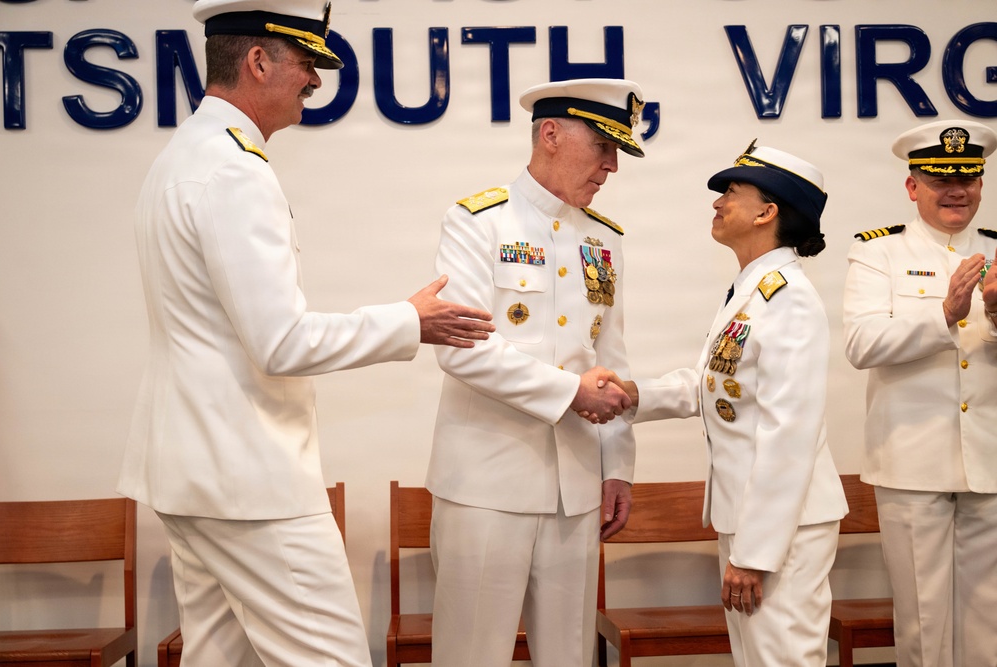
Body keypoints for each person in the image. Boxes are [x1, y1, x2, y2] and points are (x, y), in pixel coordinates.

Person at [116, 1, 495, 665]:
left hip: (189, 471)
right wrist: (411, 319)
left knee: (218, 655)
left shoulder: (182, 156)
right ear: (258, 61)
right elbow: (280, 342)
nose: (315, 80)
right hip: (248, 481)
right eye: (305, 63)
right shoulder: (236, 170)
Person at [425, 78, 644, 667]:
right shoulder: (478, 222)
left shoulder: (605, 239)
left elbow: (612, 362)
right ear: (551, 133)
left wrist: (617, 465)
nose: (612, 166)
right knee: (471, 656)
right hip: (485, 487)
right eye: (603, 146)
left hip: (576, 490)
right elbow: (460, 348)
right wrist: (570, 391)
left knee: (570, 657)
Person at [604, 143, 848, 666]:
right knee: (757, 657)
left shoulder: (789, 297)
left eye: (731, 193)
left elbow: (789, 433)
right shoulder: (752, 290)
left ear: (768, 212)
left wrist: (756, 554)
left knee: (782, 659)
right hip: (752, 516)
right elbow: (716, 385)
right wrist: (635, 394)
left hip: (782, 527)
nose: (717, 203)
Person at [842, 120, 997, 667]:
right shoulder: (877, 254)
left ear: (981, 183)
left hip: (990, 463)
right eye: (939, 179)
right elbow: (861, 344)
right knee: (923, 623)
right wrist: (945, 313)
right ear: (913, 186)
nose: (955, 190)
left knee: (990, 624)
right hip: (912, 461)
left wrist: (996, 317)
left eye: (968, 177)